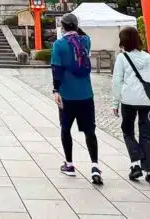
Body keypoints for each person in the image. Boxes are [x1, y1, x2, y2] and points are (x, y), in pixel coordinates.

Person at [51, 13, 101, 184]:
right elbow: (83, 34)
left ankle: (70, 164)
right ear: (76, 26)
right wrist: (74, 26)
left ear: (63, 27)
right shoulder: (85, 42)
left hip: (67, 94)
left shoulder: (59, 45)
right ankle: (94, 166)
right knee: (90, 131)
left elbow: (56, 69)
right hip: (86, 94)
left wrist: (56, 89)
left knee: (65, 129)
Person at [112, 25, 150, 185]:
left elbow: (117, 81)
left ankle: (135, 162)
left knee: (127, 130)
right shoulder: (148, 57)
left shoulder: (122, 58)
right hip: (148, 101)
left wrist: (115, 102)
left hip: (128, 100)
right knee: (147, 135)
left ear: (123, 41)